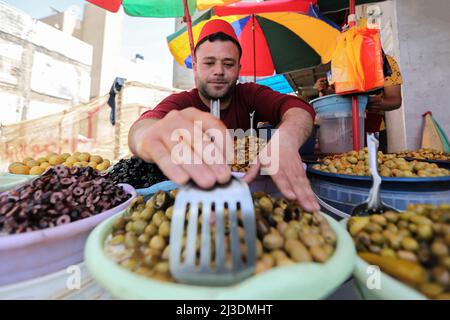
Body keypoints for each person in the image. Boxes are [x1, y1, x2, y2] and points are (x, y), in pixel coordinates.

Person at [128, 19, 320, 212]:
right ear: (195, 65)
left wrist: (285, 140)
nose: (219, 71)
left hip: (248, 194)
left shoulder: (249, 94)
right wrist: (146, 137)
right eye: (209, 63)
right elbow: (142, 128)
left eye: (228, 64)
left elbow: (298, 108)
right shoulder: (181, 103)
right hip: (194, 200)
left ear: (239, 67)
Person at [314, 55, 403, 152]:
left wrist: (373, 102)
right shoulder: (338, 64)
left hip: (373, 128)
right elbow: (336, 98)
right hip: (343, 128)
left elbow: (395, 100)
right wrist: (324, 91)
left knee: (374, 163)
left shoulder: (384, 61)